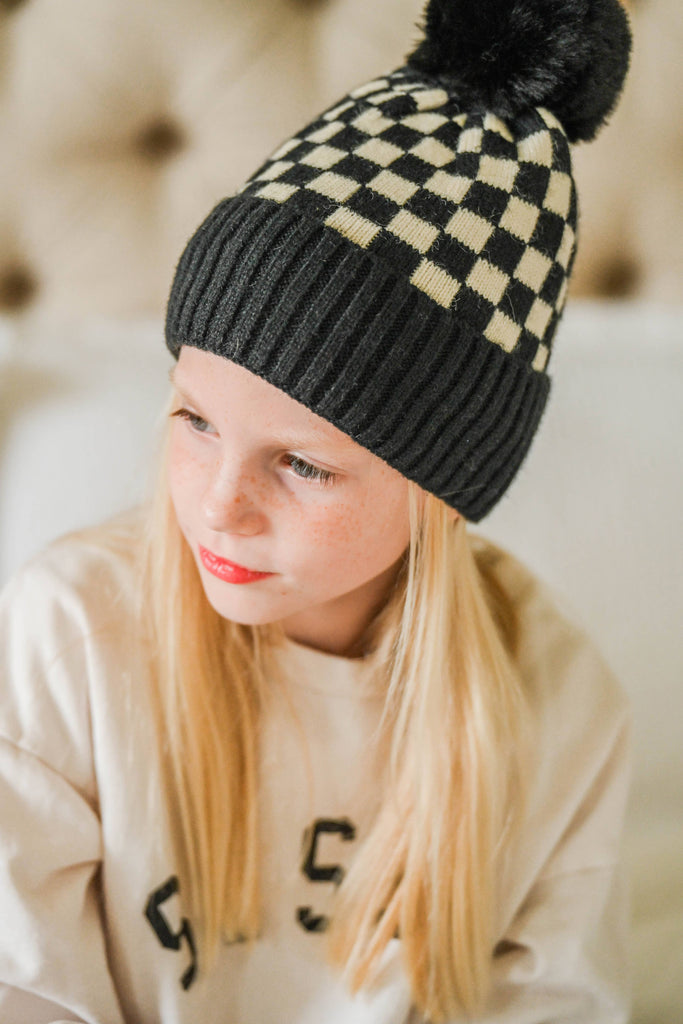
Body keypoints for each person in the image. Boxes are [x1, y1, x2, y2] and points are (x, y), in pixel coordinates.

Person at [0, 0, 634, 1021]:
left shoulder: (555, 710)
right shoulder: (69, 639)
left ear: (440, 487)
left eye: (300, 463)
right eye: (194, 419)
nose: (219, 504)